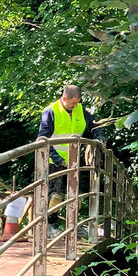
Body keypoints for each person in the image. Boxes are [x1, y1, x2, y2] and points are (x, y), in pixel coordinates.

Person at [37, 85, 106, 239]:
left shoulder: (81, 110)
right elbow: (42, 138)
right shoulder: (51, 111)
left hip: (74, 161)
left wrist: (99, 135)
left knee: (77, 195)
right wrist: (55, 157)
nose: (75, 106)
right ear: (64, 99)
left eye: (77, 103)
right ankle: (50, 225)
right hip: (53, 161)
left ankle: (73, 226)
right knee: (55, 196)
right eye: (73, 103)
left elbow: (94, 125)